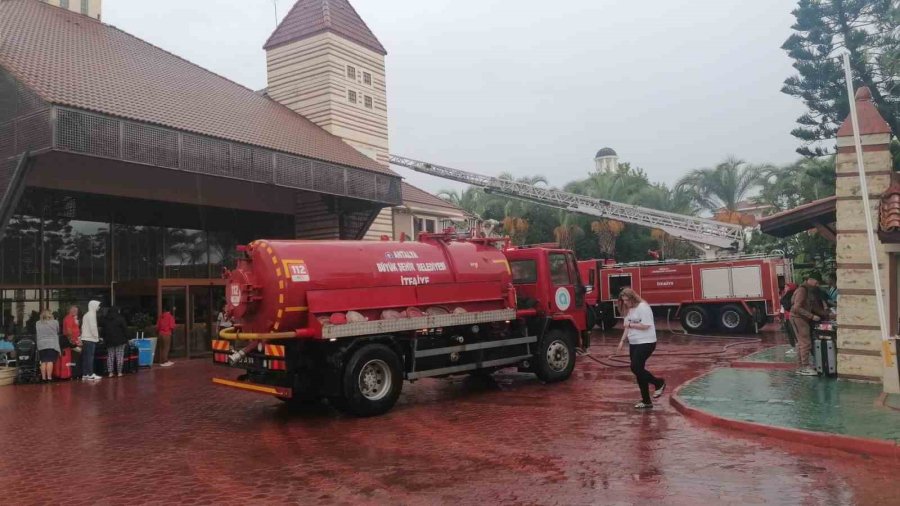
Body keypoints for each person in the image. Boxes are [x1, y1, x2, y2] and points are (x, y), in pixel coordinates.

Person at [618, 288, 665, 409]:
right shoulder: (629, 309)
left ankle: (658, 382)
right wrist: (622, 341)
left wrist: (631, 324)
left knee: (635, 367)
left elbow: (646, 325)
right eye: (624, 301)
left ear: (633, 298)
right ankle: (646, 401)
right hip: (634, 342)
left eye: (627, 300)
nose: (626, 303)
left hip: (646, 342)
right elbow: (626, 326)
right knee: (639, 371)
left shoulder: (643, 307)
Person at [790, 275, 828, 376]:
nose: (818, 284)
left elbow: (813, 306)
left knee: (800, 343)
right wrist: (811, 316)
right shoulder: (802, 291)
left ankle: (800, 367)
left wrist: (827, 314)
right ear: (809, 280)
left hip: (799, 318)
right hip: (799, 319)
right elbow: (796, 307)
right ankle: (805, 367)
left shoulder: (807, 290)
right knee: (805, 343)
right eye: (816, 280)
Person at [35, 310, 60, 382]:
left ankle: (43, 378)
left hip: (41, 344)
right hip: (51, 344)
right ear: (50, 315)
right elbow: (58, 331)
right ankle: (49, 378)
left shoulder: (38, 323)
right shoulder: (55, 322)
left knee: (43, 361)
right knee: (50, 361)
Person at [103, 307, 128, 377]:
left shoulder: (105, 320)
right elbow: (125, 329)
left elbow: (103, 331)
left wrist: (104, 338)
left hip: (109, 341)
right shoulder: (121, 319)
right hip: (120, 341)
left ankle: (110, 372)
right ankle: (119, 372)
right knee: (119, 356)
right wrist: (127, 338)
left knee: (110, 357)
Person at [80, 300, 102, 381]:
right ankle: (90, 374)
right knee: (90, 357)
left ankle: (85, 373)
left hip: (85, 338)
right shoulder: (92, 315)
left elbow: (82, 327)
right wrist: (97, 337)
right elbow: (93, 327)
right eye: (98, 305)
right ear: (93, 306)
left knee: (86, 357)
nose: (99, 307)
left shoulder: (86, 315)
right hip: (90, 339)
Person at [780, 283, 798, 356]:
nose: (785, 288)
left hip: (791, 317)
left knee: (793, 332)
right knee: (790, 333)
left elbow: (787, 305)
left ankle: (797, 347)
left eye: (786, 287)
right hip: (787, 317)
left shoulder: (792, 295)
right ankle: (793, 347)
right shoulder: (786, 295)